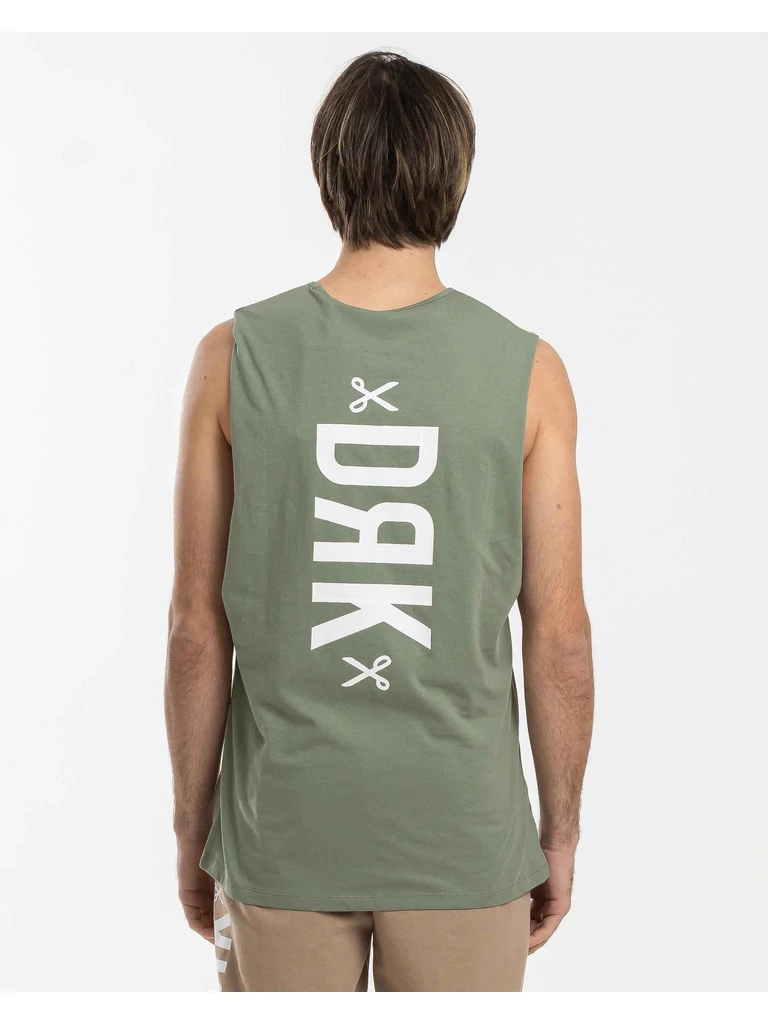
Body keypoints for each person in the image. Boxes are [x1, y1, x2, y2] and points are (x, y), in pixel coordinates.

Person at [164, 49, 594, 993]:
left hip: (282, 831)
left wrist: (194, 828)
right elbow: (557, 635)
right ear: (456, 175)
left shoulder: (234, 357)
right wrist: (559, 832)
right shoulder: (527, 370)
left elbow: (197, 628)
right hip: (462, 835)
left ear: (329, 169)